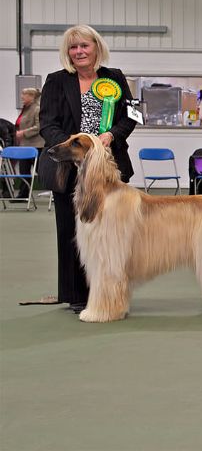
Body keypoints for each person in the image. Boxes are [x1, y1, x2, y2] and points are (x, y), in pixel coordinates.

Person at [38, 25, 137, 314]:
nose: (79, 52)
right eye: (73, 47)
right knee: (70, 230)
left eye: (84, 46)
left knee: (112, 235)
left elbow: (132, 114)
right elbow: (47, 123)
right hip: (69, 169)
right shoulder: (56, 81)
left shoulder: (114, 77)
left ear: (96, 47)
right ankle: (77, 295)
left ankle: (110, 291)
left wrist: (112, 135)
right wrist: (73, 147)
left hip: (109, 169)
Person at [14, 88, 44, 198]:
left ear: (32, 96)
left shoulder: (37, 109)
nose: (22, 97)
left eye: (24, 95)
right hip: (24, 146)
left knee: (41, 172)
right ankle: (23, 195)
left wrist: (24, 133)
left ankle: (55, 194)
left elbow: (39, 126)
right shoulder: (25, 109)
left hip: (36, 146)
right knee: (23, 171)